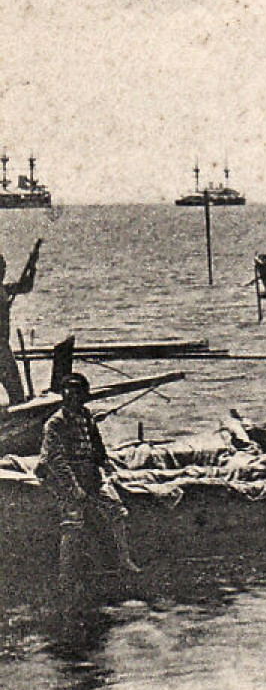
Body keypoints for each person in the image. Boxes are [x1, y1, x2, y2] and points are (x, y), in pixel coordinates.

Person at [37, 371, 142, 588]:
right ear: (64, 396)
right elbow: (54, 461)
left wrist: (108, 468)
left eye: (79, 392)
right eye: (71, 392)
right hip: (63, 478)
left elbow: (98, 449)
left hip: (89, 475)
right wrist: (74, 488)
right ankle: (65, 575)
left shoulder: (87, 418)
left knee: (117, 511)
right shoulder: (55, 423)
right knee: (73, 521)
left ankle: (124, 560)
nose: (75, 396)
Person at [0, 238, 43, 405]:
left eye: (3, 269)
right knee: (16, 391)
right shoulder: (4, 292)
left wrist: (32, 265)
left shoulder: (5, 289)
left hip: (3, 346)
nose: (2, 272)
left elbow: (25, 286)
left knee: (16, 391)